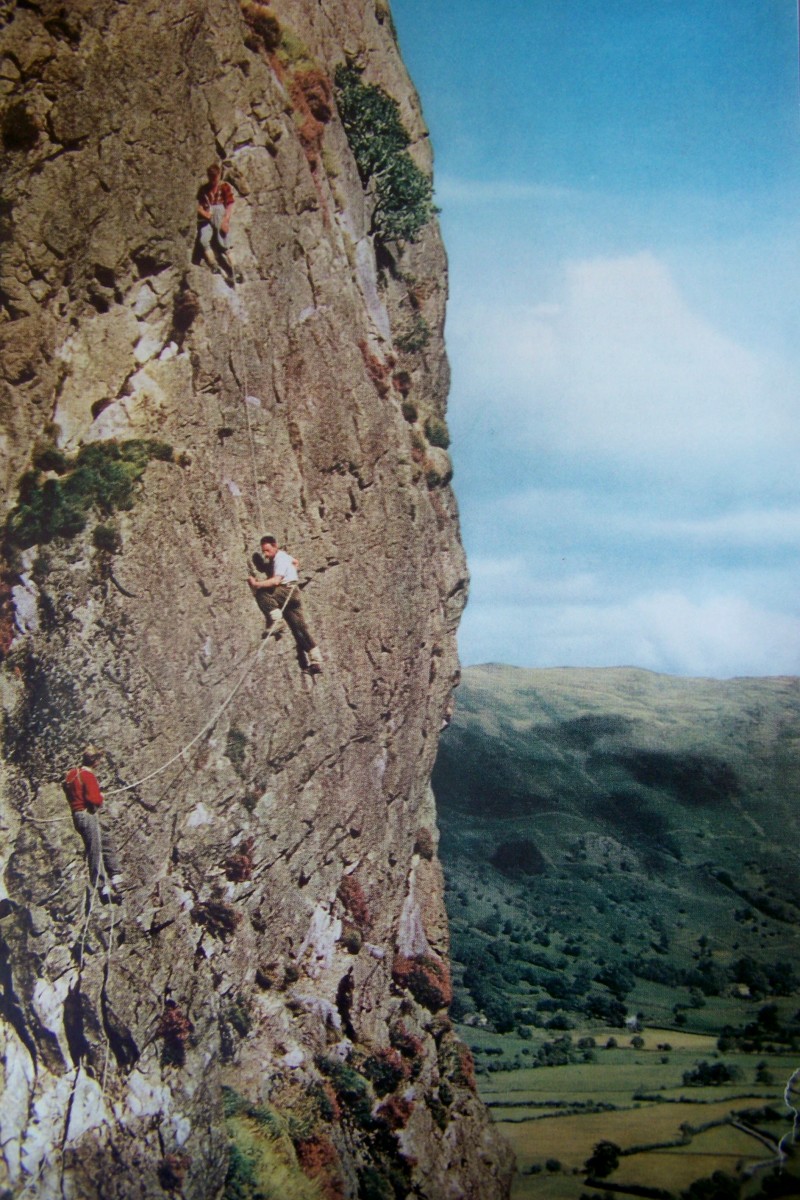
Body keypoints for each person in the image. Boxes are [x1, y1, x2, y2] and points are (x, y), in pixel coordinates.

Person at [248, 535, 324, 674]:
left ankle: (277, 621)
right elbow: (295, 561)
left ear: (275, 546)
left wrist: (256, 584)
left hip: (287, 590)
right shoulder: (285, 557)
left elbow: (275, 581)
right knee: (299, 628)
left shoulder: (280, 559)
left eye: (268, 550)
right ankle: (316, 661)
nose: (265, 554)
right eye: (263, 551)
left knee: (262, 593)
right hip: (293, 594)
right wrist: (292, 571)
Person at [64, 746, 122, 902]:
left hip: (78, 814)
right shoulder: (88, 776)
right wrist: (100, 796)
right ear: (94, 761)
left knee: (105, 836)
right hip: (87, 814)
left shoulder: (71, 774)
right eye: (99, 760)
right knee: (95, 849)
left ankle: (115, 875)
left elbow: (69, 789)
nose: (100, 762)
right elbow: (93, 800)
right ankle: (103, 887)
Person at [196, 163, 235, 277]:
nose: (213, 179)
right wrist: (204, 213)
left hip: (220, 214)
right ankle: (214, 264)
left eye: (215, 176)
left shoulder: (224, 187)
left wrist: (225, 220)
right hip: (208, 216)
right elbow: (199, 206)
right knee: (203, 239)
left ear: (219, 175)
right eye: (211, 176)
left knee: (224, 241)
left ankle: (235, 269)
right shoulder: (204, 189)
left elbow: (230, 204)